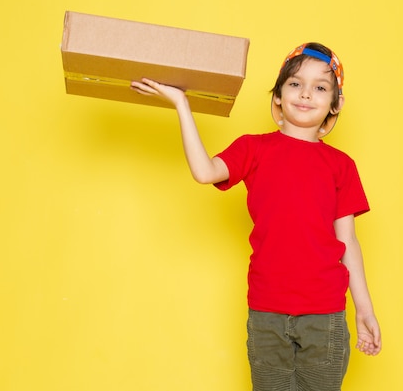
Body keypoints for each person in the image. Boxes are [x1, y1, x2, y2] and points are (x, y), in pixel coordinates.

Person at [131, 42, 381, 391]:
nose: (306, 94)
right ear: (278, 95)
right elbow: (205, 172)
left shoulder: (341, 166)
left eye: (320, 87)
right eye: (295, 83)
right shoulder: (254, 149)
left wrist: (365, 310)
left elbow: (348, 241)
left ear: (334, 104)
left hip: (325, 317)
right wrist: (181, 106)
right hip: (266, 313)